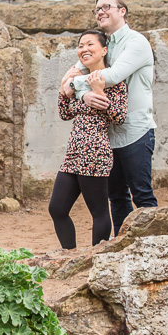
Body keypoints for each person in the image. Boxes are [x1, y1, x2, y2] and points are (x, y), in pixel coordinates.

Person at [82, 0, 158, 235]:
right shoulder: (103, 43)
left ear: (122, 11)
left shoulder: (136, 42)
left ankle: (154, 247)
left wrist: (73, 86)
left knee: (142, 195)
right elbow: (78, 67)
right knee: (116, 197)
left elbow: (112, 77)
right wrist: (77, 87)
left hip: (136, 131)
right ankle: (123, 247)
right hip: (110, 135)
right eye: (97, 9)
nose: (101, 12)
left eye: (106, 7)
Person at [49, 30, 128, 248]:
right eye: (81, 45)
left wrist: (99, 91)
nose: (84, 49)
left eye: (90, 44)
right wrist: (65, 86)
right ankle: (70, 256)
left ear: (104, 50)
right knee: (57, 208)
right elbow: (64, 113)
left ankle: (96, 259)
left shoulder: (113, 80)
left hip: (95, 153)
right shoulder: (78, 81)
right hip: (73, 153)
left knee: (99, 211)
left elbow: (119, 117)